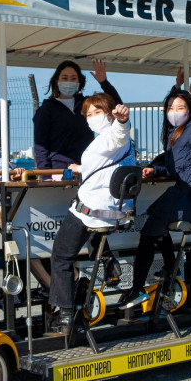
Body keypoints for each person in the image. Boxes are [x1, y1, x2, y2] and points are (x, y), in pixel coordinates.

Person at [124, 91, 191, 307]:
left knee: (148, 235)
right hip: (179, 192)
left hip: (187, 196)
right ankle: (171, 269)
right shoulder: (175, 133)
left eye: (180, 108)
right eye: (170, 108)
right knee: (154, 223)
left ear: (190, 110)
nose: (174, 112)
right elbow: (175, 168)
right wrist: (154, 169)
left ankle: (137, 288)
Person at [49, 94, 135, 335]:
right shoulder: (107, 142)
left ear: (109, 113)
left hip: (94, 210)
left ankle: (65, 314)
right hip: (112, 211)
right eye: (88, 114)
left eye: (97, 112)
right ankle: (109, 262)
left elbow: (118, 135)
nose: (91, 118)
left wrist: (122, 122)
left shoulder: (113, 135)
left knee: (61, 256)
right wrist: (80, 167)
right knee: (86, 225)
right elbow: (105, 164)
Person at [33, 59, 123, 171]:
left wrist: (104, 82)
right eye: (65, 78)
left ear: (79, 82)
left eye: (73, 78)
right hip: (59, 170)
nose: (69, 82)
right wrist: (46, 175)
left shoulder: (86, 104)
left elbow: (117, 107)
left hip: (87, 166)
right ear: (57, 80)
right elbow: (41, 146)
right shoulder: (46, 109)